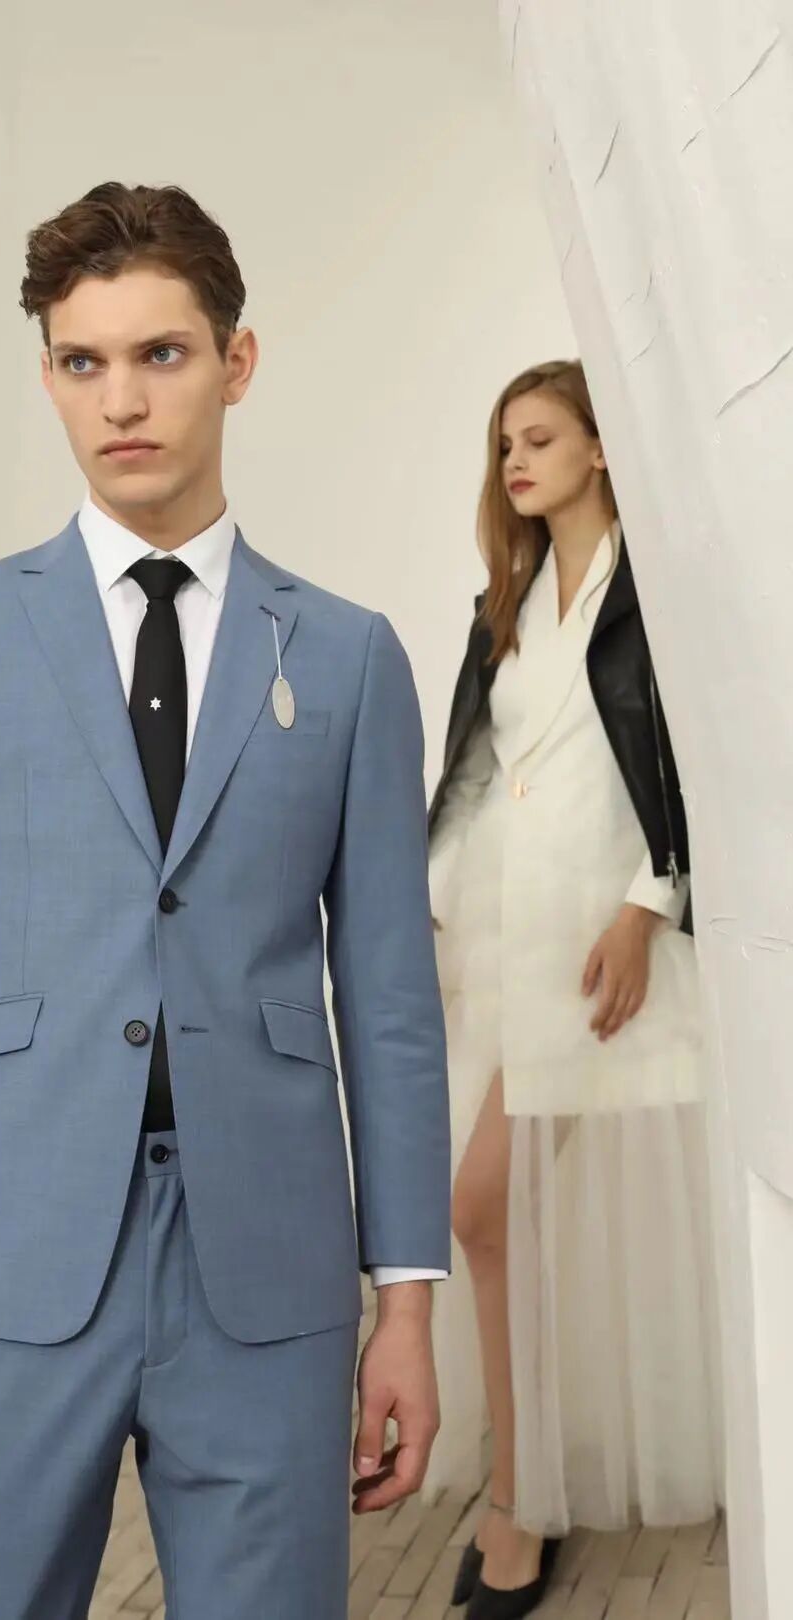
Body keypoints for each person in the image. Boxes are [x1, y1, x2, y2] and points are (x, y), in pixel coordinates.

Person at [0, 181, 451, 1620]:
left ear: (237, 362)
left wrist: (406, 1309)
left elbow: (391, 1010)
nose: (122, 400)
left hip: (265, 1272)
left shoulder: (348, 657)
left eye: (161, 354)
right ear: (48, 375)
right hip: (6, 1261)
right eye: (83, 361)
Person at [420, 360, 724, 1619]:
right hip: (505, 943)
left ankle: (520, 1499)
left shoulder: (660, 592)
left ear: (601, 449)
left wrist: (651, 907)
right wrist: (425, 898)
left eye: (539, 439)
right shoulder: (505, 604)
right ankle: (529, 1479)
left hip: (602, 950)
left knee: (484, 1208)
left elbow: (707, 758)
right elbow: (472, 775)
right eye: (505, 446)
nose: (515, 463)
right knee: (502, 1221)